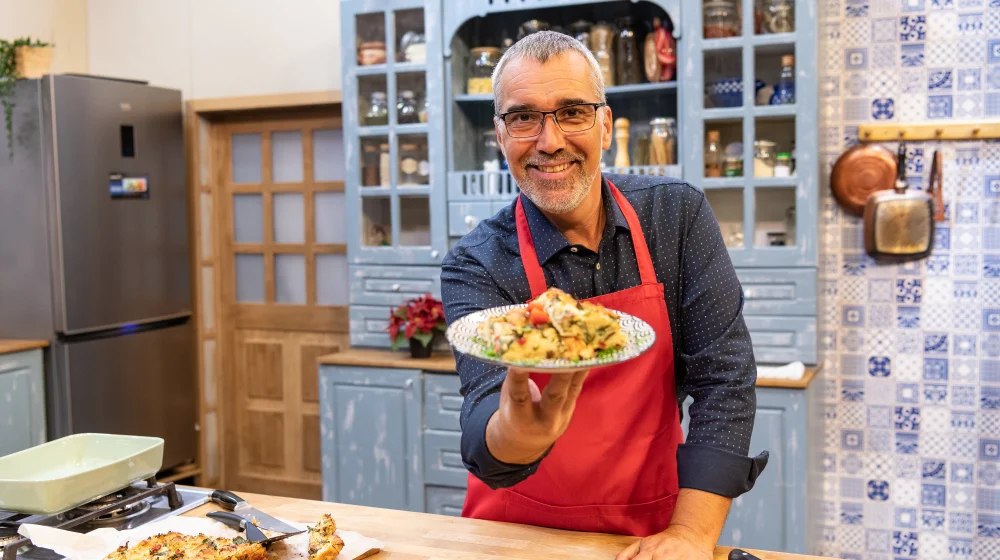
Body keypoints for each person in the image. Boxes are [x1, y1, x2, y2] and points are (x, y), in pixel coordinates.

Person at [440, 31, 767, 560]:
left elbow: (724, 382)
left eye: (572, 112)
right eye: (523, 117)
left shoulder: (675, 217)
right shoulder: (477, 261)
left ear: (607, 125)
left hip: (650, 534)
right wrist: (517, 432)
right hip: (515, 536)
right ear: (500, 135)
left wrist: (691, 535)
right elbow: (484, 409)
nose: (549, 141)